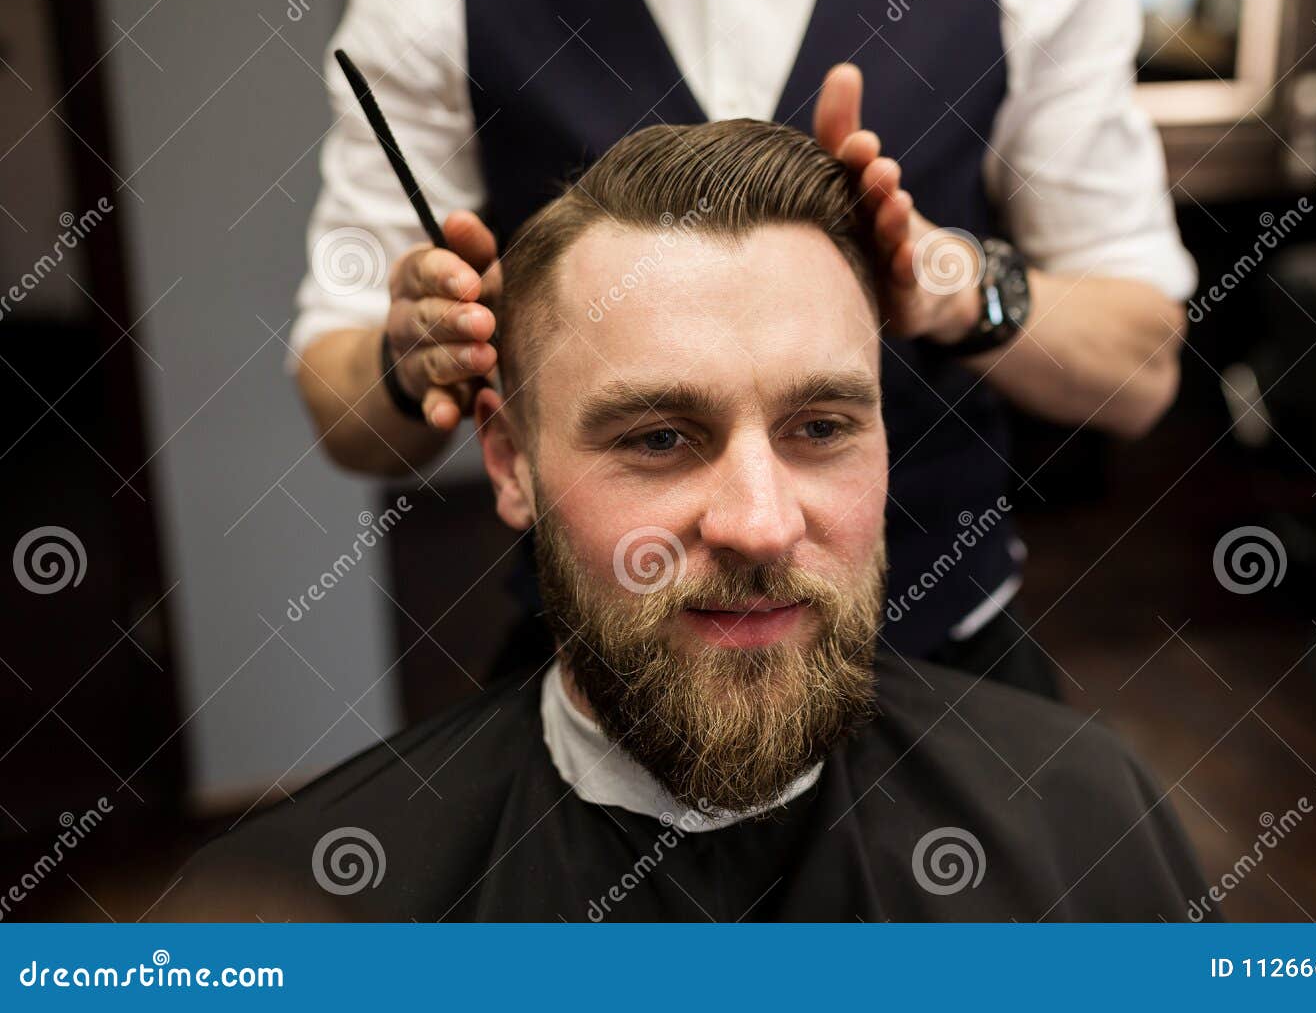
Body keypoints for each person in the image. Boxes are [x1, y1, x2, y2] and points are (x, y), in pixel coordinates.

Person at [171, 121, 1207, 921]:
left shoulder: (1087, 819)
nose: (758, 524)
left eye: (820, 424)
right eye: (660, 438)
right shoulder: (310, 914)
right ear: (510, 462)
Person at [289, 0, 1198, 697]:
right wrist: (413, 362)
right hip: (611, 675)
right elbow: (344, 414)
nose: (756, 526)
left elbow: (1141, 369)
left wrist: (955, 285)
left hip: (935, 660)